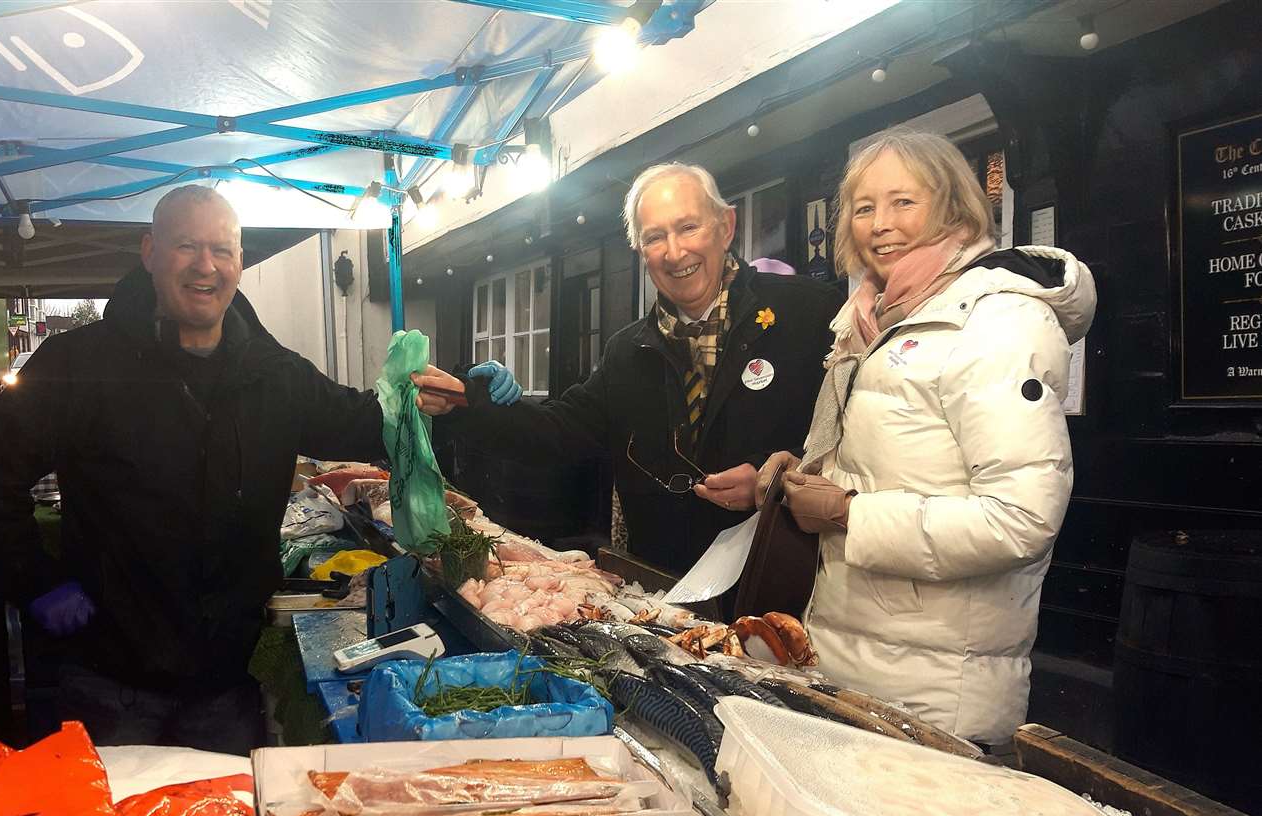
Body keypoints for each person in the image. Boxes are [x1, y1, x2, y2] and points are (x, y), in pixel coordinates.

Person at [0, 185, 386, 753]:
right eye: (187, 246)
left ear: (239, 262)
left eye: (222, 250)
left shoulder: (274, 374)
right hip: (111, 679)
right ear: (150, 252)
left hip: (226, 682)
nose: (206, 266)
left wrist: (459, 394)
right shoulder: (77, 365)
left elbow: (368, 423)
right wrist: (36, 581)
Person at [754, 128, 1096, 746]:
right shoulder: (870, 317)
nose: (880, 225)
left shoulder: (998, 320)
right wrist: (803, 473)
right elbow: (888, 463)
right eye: (863, 208)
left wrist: (847, 512)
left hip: (940, 691)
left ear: (952, 207)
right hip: (847, 656)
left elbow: (1020, 519)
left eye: (903, 202)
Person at [413, 162, 842, 575]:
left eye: (688, 227)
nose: (676, 252)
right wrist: (468, 401)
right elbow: (556, 434)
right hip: (665, 588)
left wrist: (775, 481)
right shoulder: (628, 351)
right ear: (640, 251)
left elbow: (854, 437)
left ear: (725, 226)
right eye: (655, 237)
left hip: (778, 582)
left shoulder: (807, 312)